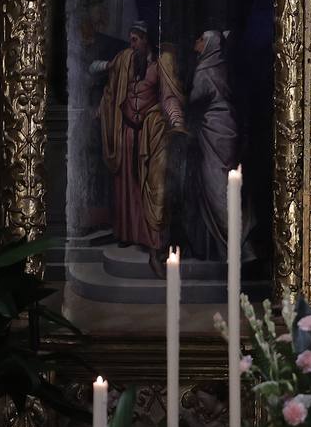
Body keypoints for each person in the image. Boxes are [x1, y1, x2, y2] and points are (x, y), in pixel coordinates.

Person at [92, 22, 185, 265]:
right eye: (130, 38)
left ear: (146, 41)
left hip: (148, 133)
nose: (132, 44)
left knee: (144, 183)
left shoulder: (159, 65)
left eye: (136, 39)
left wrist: (176, 122)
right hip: (125, 131)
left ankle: (147, 237)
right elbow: (102, 70)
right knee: (124, 185)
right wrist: (104, 102)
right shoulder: (125, 60)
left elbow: (168, 98)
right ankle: (126, 233)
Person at [182, 30, 244, 263]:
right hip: (227, 127)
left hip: (214, 132)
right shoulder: (221, 66)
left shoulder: (204, 71)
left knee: (215, 188)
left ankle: (236, 241)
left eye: (199, 39)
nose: (195, 42)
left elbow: (194, 100)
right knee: (220, 184)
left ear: (208, 45)